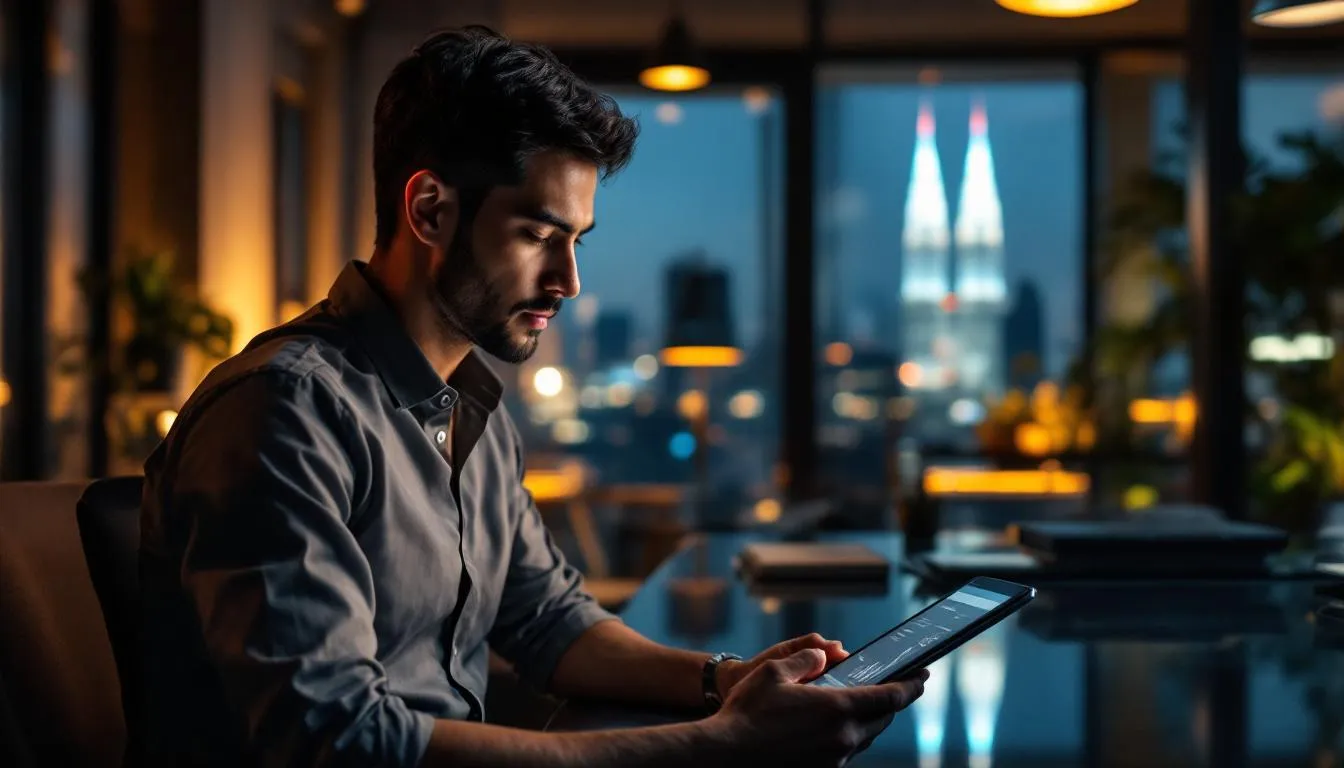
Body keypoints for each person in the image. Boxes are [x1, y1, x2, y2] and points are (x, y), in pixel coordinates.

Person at [140, 25, 926, 768]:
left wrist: (730, 681)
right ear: (429, 210)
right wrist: (719, 747)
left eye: (576, 242)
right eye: (538, 235)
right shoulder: (284, 413)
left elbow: (552, 624)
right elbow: (339, 740)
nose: (569, 282)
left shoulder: (469, 406)